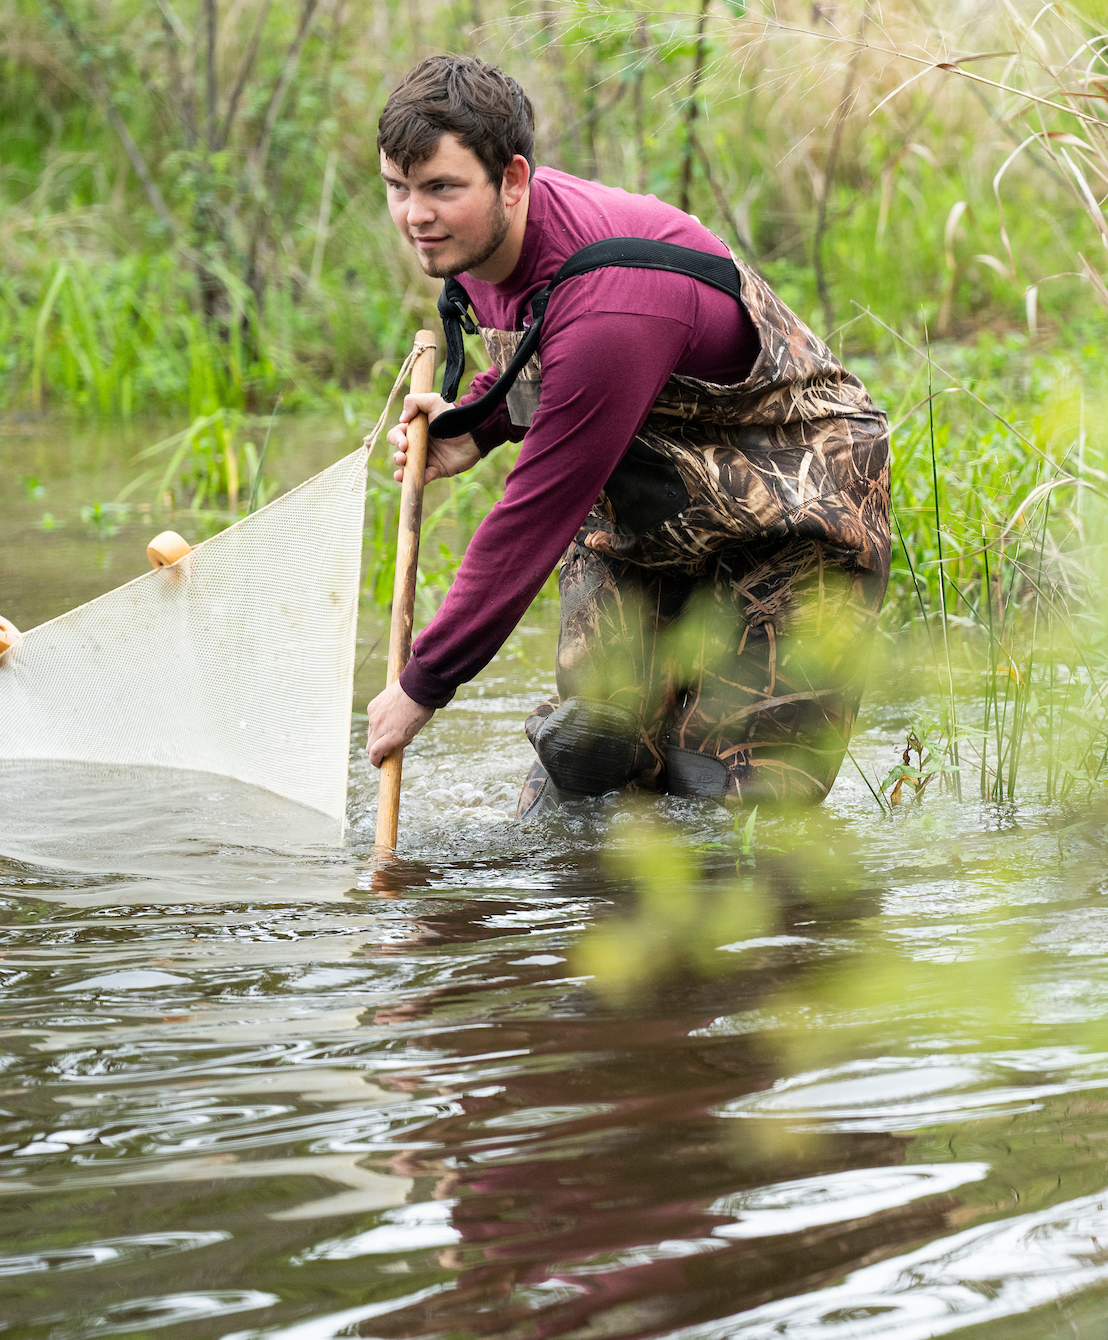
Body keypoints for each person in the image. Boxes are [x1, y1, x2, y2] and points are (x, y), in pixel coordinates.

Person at [361, 55, 890, 815]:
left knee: (727, 813)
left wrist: (424, 683)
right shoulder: (471, 244)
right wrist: (479, 422)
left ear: (513, 180)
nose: (416, 215)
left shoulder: (612, 301)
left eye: (441, 187)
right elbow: (554, 360)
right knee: (589, 758)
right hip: (657, 503)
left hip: (798, 511)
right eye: (397, 188)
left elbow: (534, 515)